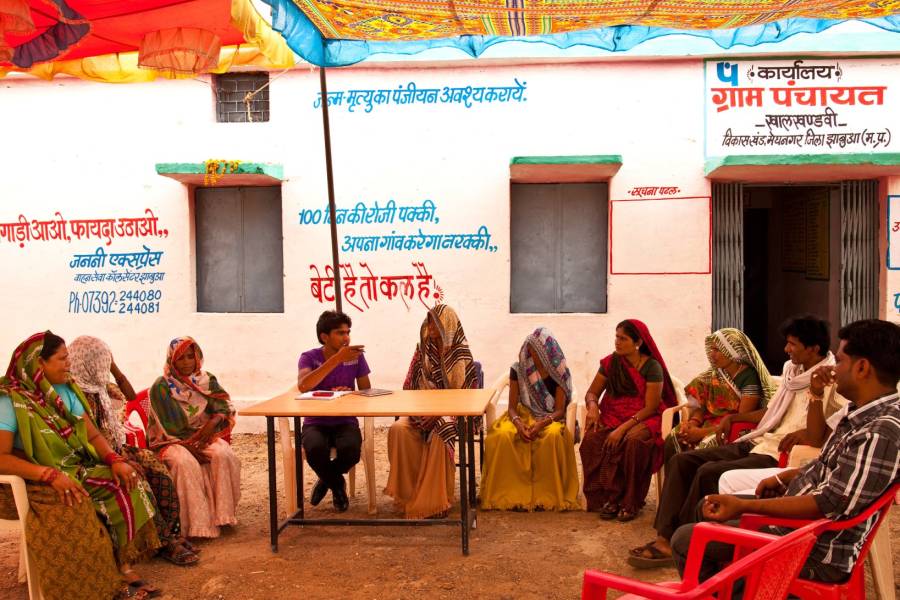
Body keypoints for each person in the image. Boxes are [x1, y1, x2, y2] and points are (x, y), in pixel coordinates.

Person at [670, 319, 900, 594]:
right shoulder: (859, 413)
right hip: (803, 526)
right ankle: (737, 587)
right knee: (706, 507)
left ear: (862, 368)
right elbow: (828, 466)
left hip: (813, 546)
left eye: (839, 362)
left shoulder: (880, 431)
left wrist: (746, 507)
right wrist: (785, 477)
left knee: (688, 538)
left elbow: (826, 504)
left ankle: (735, 588)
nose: (833, 369)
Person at [629, 315, 844, 569]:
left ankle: (688, 541)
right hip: (760, 439)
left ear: (814, 349)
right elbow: (772, 413)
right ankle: (665, 537)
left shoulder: (831, 381)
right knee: (682, 461)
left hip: (779, 453)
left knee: (707, 472)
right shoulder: (791, 372)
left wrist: (808, 431)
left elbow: (835, 427)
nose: (786, 350)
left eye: (792, 344)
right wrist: (733, 419)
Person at [0, 331, 160, 599]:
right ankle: (97, 587)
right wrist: (48, 474)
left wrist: (114, 459)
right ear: (39, 363)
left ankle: (122, 566)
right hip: (28, 477)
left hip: (70, 467)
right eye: (62, 359)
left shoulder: (65, 390)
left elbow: (93, 435)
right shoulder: (10, 400)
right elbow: (2, 458)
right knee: (77, 506)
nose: (68, 364)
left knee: (127, 484)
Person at [69, 335, 199, 566]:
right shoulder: (73, 394)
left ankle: (172, 532)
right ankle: (164, 541)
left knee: (156, 467)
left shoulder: (100, 386)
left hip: (115, 447)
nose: (105, 365)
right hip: (94, 456)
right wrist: (118, 458)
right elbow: (86, 440)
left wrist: (114, 368)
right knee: (137, 475)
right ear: (88, 361)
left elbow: (130, 397)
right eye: (102, 360)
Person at [385, 304, 479, 519]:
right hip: (420, 409)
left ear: (446, 324)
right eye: (429, 320)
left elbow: (463, 397)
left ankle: (435, 501)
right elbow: (410, 386)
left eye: (434, 321)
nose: (430, 326)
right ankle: (409, 496)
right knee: (399, 429)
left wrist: (437, 413)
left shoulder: (460, 354)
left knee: (442, 431)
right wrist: (419, 411)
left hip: (452, 413)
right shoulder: (422, 350)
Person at [580, 319, 678, 522]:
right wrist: (592, 407)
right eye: (616, 337)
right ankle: (609, 498)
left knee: (633, 442)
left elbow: (651, 407)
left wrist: (622, 429)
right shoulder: (610, 363)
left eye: (623, 338)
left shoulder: (652, 367)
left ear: (638, 342)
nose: (617, 342)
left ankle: (629, 501)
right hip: (612, 413)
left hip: (644, 416)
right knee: (592, 439)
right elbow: (592, 392)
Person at [147, 336, 241, 539]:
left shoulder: (207, 380)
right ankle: (196, 526)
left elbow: (223, 406)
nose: (187, 362)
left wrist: (212, 423)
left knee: (223, 453)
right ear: (172, 360)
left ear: (198, 356)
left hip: (202, 435)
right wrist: (190, 447)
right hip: (169, 440)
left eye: (191, 356)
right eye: (181, 358)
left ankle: (223, 516)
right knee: (184, 462)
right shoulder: (161, 387)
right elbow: (169, 428)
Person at [479, 327, 580, 511]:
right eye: (529, 348)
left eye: (536, 349)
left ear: (548, 350)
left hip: (550, 418)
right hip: (522, 414)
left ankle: (546, 496)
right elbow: (511, 407)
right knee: (501, 436)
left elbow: (559, 410)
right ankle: (510, 493)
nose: (531, 352)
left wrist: (541, 423)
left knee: (552, 437)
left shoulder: (559, 372)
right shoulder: (519, 369)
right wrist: (518, 424)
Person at [664, 328, 776, 463]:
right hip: (706, 424)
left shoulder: (749, 377)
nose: (712, 355)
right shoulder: (712, 375)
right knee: (675, 437)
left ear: (732, 350)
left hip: (731, 428)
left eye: (717, 350)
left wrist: (700, 433)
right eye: (711, 350)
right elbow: (702, 407)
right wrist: (692, 424)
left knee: (704, 446)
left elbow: (739, 418)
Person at [297, 310, 371, 512]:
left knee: (351, 451)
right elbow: (303, 386)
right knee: (314, 449)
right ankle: (338, 485)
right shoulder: (309, 357)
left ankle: (326, 480)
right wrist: (337, 360)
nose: (346, 337)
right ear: (324, 337)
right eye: (340, 333)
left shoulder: (355, 357)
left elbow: (366, 389)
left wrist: (349, 392)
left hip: (345, 420)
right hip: (316, 421)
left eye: (348, 332)